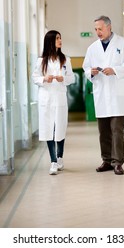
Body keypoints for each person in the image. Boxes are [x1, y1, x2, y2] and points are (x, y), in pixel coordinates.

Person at [83, 15, 124, 175]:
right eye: (95, 29)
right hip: (101, 94)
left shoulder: (122, 43)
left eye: (100, 29)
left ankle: (118, 162)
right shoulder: (92, 48)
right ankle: (106, 160)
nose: (97, 32)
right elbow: (86, 67)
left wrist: (115, 70)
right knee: (104, 131)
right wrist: (90, 72)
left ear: (109, 27)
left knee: (117, 131)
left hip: (117, 95)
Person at [32, 30, 75, 175]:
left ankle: (60, 156)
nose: (60, 40)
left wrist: (64, 79)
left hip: (60, 98)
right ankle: (53, 161)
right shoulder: (41, 60)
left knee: (60, 128)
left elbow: (72, 78)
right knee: (48, 129)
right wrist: (44, 79)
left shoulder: (65, 59)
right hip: (46, 98)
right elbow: (34, 77)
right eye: (57, 38)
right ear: (50, 41)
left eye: (60, 38)